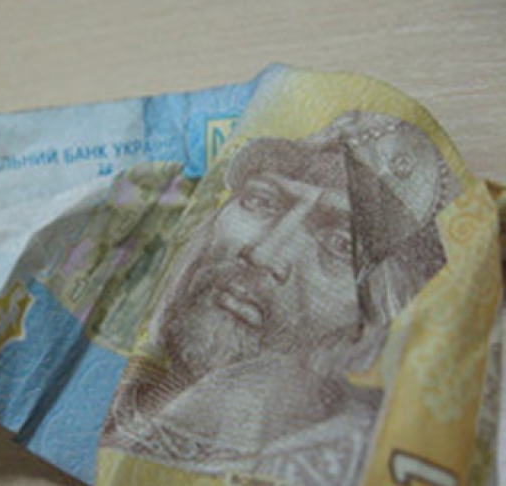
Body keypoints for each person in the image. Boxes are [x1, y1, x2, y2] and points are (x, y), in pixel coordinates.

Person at [101, 112, 460, 485]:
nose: (263, 255)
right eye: (262, 201)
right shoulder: (118, 400)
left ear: (391, 303)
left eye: (340, 245)